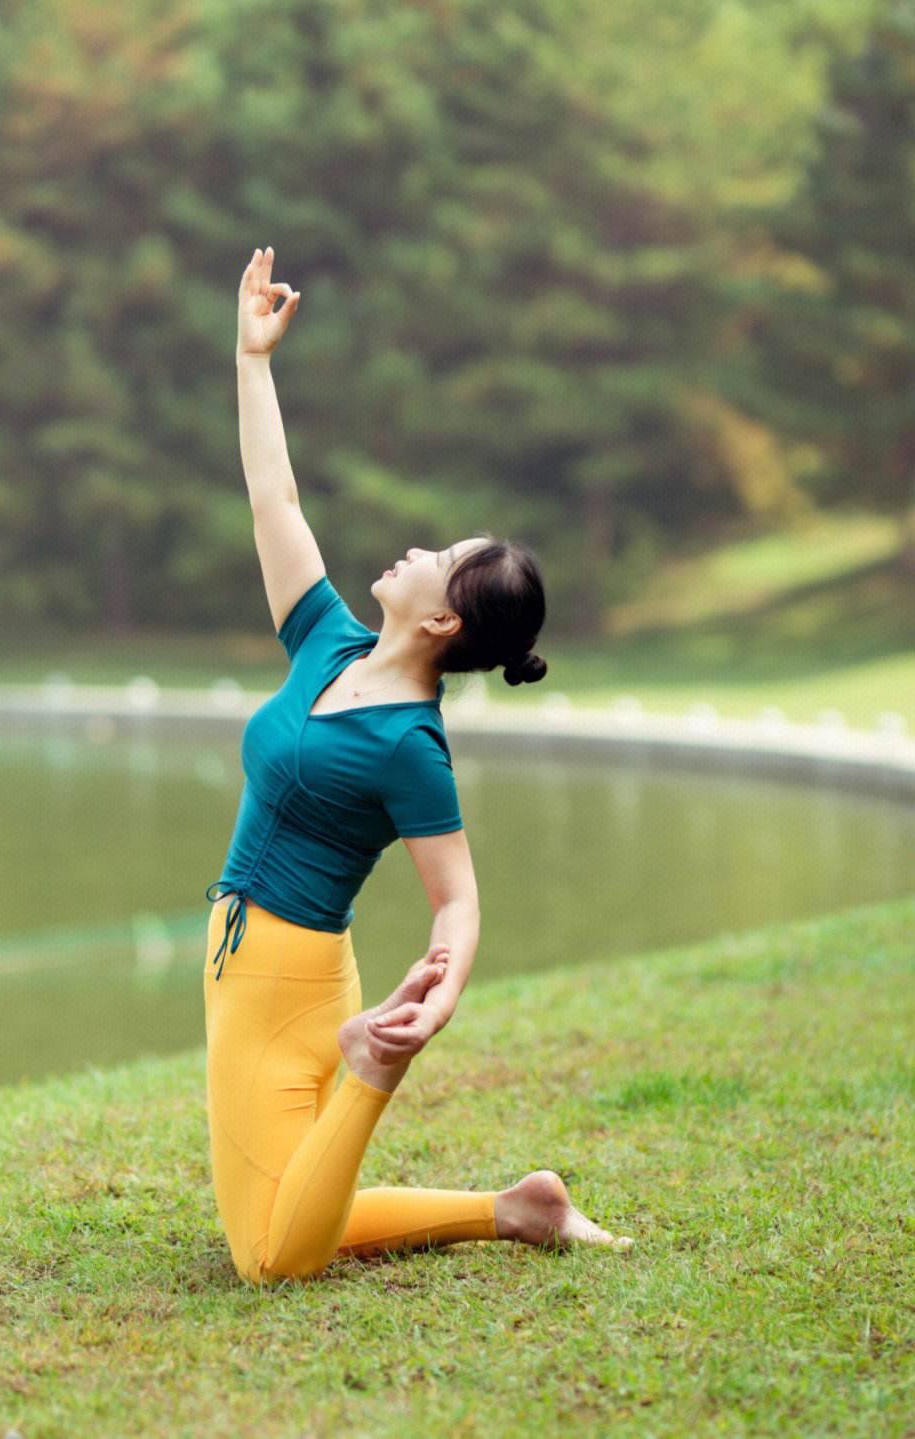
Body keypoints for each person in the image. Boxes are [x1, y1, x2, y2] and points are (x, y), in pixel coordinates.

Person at [202, 245, 633, 1285]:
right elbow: (277, 503)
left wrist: (436, 998)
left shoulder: (410, 744)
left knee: (269, 1256)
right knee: (289, 1207)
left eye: (437, 559)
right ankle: (521, 1209)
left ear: (442, 617)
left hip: (287, 975)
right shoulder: (331, 643)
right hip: (239, 963)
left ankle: (368, 1076)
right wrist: (252, 363)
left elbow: (459, 899)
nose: (415, 550)